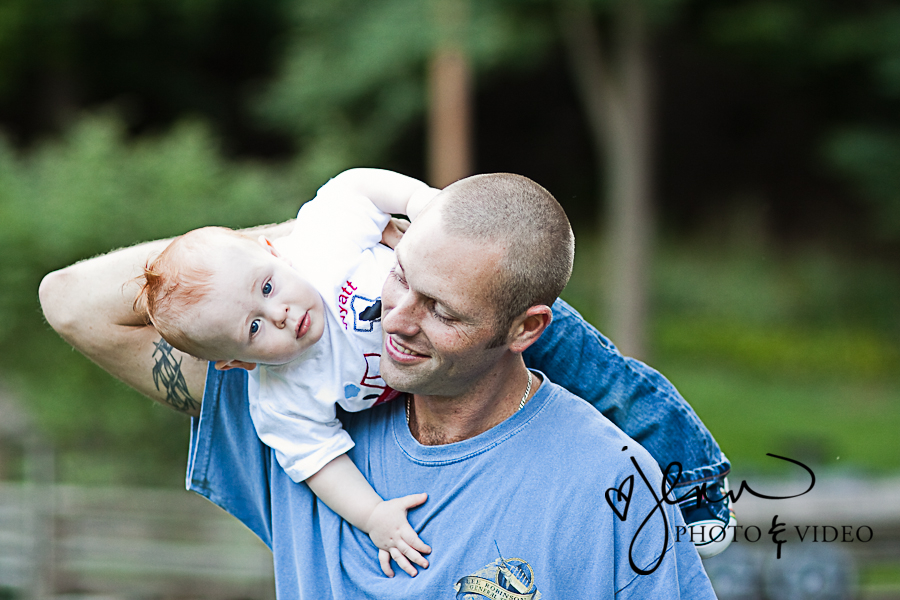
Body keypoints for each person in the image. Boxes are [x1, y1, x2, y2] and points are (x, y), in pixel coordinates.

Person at [40, 173, 723, 597]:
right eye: (400, 275)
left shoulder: (606, 480)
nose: (392, 319)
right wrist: (277, 254)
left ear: (525, 329)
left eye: (441, 307)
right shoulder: (279, 393)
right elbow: (70, 300)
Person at [134, 169, 443, 577]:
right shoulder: (281, 398)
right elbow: (319, 461)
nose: (278, 313)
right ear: (238, 363)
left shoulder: (321, 246)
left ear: (274, 252)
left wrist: (421, 204)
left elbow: (354, 188)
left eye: (266, 288)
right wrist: (373, 517)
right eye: (254, 328)